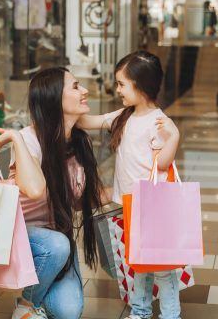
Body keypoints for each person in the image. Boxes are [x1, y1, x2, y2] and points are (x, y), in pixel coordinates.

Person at [0, 67, 106, 319]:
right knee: (58, 245)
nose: (84, 91)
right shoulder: (30, 139)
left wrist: (128, 192)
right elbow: (35, 189)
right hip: (20, 236)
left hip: (53, 239)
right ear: (54, 98)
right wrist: (16, 139)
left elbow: (77, 202)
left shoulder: (80, 142)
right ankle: (27, 305)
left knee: (69, 311)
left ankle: (37, 291)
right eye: (75, 86)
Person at [77, 50, 181, 319]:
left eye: (122, 83)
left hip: (152, 207)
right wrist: (67, 108)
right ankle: (140, 311)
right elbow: (92, 122)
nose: (118, 89)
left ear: (141, 84)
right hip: (128, 205)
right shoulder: (125, 115)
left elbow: (163, 163)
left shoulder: (157, 121)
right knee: (137, 262)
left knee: (161, 268)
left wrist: (174, 137)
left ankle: (170, 315)